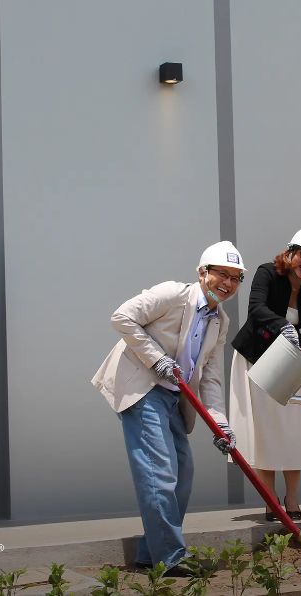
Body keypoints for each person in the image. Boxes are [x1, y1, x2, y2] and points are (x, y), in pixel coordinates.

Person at [91, 241, 243, 577]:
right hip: (142, 388)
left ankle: (150, 551)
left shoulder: (221, 322)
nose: (228, 283)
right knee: (159, 471)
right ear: (203, 273)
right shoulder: (175, 294)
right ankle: (170, 556)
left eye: (235, 278)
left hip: (175, 397)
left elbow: (211, 380)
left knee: (183, 472)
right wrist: (156, 358)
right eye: (222, 273)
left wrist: (221, 425)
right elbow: (123, 316)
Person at [229, 227, 301, 522]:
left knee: (294, 430)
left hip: (291, 362)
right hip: (257, 358)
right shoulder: (267, 273)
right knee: (266, 431)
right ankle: (271, 501)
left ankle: (292, 499)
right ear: (290, 252)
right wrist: (283, 326)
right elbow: (255, 309)